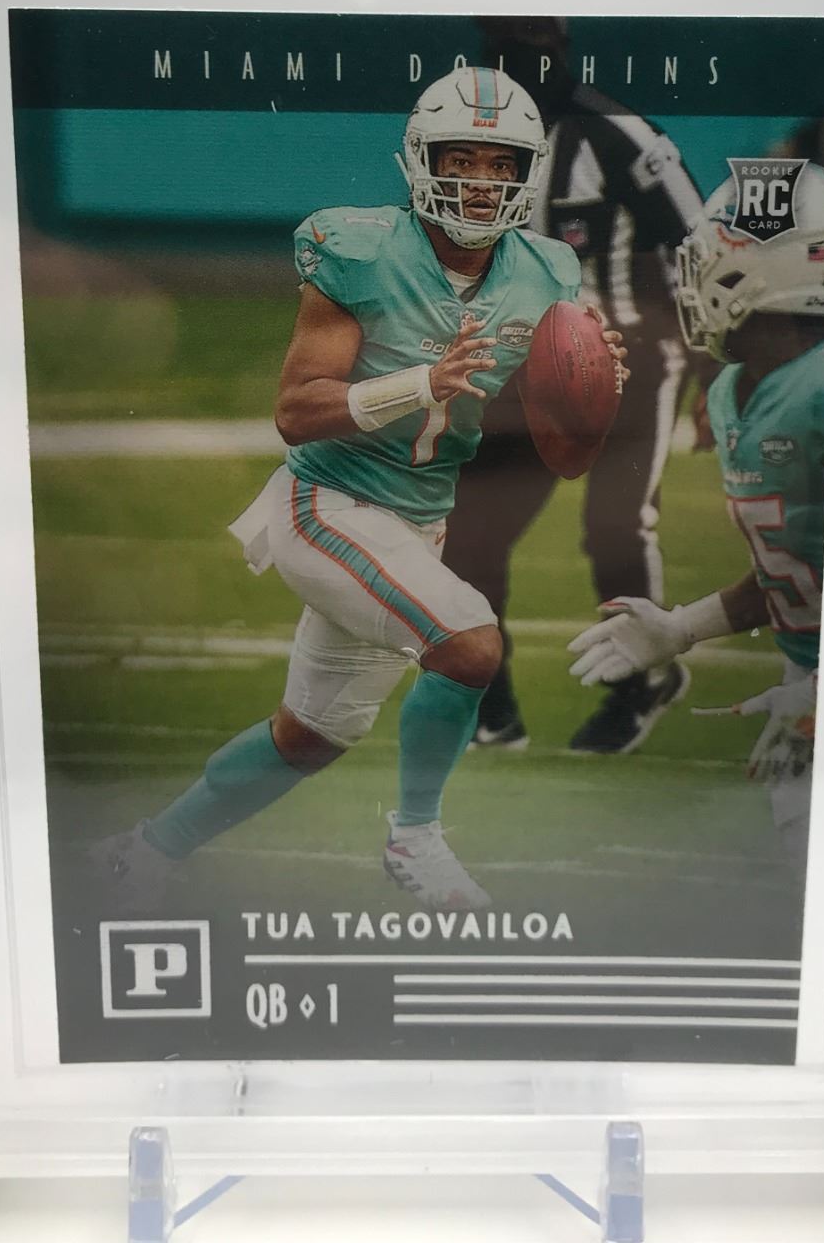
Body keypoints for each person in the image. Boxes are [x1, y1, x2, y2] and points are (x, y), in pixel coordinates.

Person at [93, 67, 624, 913]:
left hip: (419, 526)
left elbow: (564, 458)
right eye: (461, 159)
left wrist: (592, 397)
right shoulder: (360, 248)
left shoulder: (546, 273)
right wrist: (422, 383)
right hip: (327, 508)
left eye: (501, 164)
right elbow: (297, 412)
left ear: (528, 174)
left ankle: (143, 852)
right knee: (470, 643)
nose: (480, 182)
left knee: (308, 738)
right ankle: (415, 838)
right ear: (420, 161)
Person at [566, 161, 824, 863]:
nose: (691, 276)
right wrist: (685, 628)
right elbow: (799, 567)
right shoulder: (733, 391)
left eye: (711, 255)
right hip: (812, 685)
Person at [442, 18, 706, 754]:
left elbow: (698, 243)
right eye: (503, 51)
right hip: (522, 367)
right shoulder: (476, 142)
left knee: (617, 526)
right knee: (470, 529)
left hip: (631, 360)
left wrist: (714, 369)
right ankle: (488, 697)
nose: (514, 67)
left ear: (558, 51)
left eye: (528, 51)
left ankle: (641, 680)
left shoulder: (615, 133)